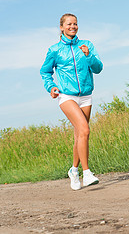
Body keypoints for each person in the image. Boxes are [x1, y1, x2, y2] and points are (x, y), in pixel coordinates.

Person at [40, 13, 103, 190]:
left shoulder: (87, 45)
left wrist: (89, 55)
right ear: (61, 27)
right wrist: (51, 87)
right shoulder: (55, 50)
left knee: (79, 135)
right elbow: (45, 72)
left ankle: (74, 171)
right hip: (67, 95)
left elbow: (98, 68)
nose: (73, 26)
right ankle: (87, 173)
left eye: (75, 24)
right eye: (69, 24)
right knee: (84, 130)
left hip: (86, 95)